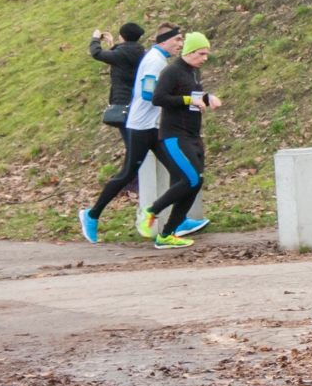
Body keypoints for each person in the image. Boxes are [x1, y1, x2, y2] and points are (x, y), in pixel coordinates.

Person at [85, 25, 182, 242]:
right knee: (128, 173)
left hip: (151, 124)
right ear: (164, 40)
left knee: (179, 173)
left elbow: (149, 91)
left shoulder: (156, 57)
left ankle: (177, 219)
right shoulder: (153, 59)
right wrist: (178, 100)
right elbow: (149, 93)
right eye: (177, 39)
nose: (181, 44)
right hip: (141, 126)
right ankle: (92, 215)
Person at [142, 32, 222, 249]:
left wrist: (207, 98)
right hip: (174, 135)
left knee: (196, 184)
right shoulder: (172, 71)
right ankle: (151, 211)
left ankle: (166, 235)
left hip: (194, 135)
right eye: (201, 53)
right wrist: (192, 99)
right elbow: (158, 98)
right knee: (190, 180)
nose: (205, 58)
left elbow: (193, 96)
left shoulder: (194, 72)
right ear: (189, 52)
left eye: (207, 53)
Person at [78, 23, 149, 242]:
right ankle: (138, 190)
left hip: (123, 108)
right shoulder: (142, 53)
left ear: (122, 36)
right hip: (139, 109)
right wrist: (114, 46)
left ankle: (128, 187)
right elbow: (121, 57)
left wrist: (95, 37)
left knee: (132, 158)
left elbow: (96, 54)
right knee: (135, 157)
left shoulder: (120, 54)